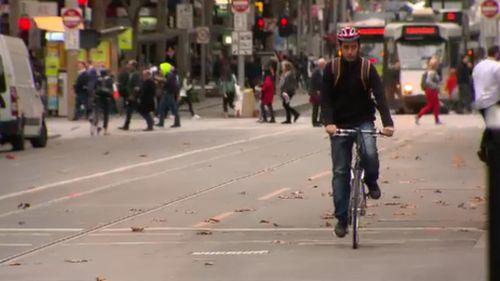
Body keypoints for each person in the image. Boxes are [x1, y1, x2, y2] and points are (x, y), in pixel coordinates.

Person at [320, 26, 394, 238]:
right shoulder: (331, 69)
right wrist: (329, 123)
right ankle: (342, 219)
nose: (350, 51)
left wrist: (387, 123)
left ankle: (371, 180)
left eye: (353, 47)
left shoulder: (367, 69)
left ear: (359, 47)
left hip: (363, 121)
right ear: (340, 48)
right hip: (340, 124)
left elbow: (380, 97)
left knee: (370, 153)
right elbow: (325, 100)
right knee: (340, 171)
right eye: (346, 48)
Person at [472, 45, 500, 163]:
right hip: (492, 100)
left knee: (490, 126)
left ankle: (484, 151)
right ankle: (488, 153)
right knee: (494, 128)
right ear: (497, 54)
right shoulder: (496, 66)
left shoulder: (478, 66)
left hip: (480, 101)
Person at [415, 56, 442, 125]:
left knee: (432, 105)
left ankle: (419, 116)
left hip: (430, 90)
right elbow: (428, 81)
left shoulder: (430, 72)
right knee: (434, 105)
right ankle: (436, 120)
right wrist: (436, 87)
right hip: (432, 91)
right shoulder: (432, 72)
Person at [156, 62, 181, 128]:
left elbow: (166, 82)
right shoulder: (170, 74)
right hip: (168, 93)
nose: (160, 71)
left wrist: (158, 78)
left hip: (168, 94)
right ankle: (175, 122)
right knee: (165, 108)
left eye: (161, 69)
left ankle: (162, 123)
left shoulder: (169, 74)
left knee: (167, 108)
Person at [119, 60, 141, 130]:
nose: (128, 66)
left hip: (133, 96)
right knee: (129, 111)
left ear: (133, 66)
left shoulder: (136, 74)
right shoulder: (130, 74)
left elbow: (137, 86)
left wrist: (133, 95)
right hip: (129, 95)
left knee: (141, 109)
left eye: (130, 65)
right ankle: (126, 125)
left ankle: (150, 121)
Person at [91, 69, 113, 135]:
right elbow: (112, 90)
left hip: (98, 98)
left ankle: (93, 128)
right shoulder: (109, 80)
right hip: (106, 99)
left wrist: (94, 97)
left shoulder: (97, 79)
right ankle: (105, 130)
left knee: (97, 113)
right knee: (106, 114)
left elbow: (94, 88)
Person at [309, 58, 326, 127]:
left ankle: (321, 120)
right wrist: (314, 91)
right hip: (316, 92)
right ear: (319, 64)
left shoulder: (325, 71)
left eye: (324, 64)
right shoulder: (315, 72)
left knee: (323, 107)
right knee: (315, 108)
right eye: (322, 64)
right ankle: (314, 121)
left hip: (323, 92)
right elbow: (312, 83)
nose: (323, 65)